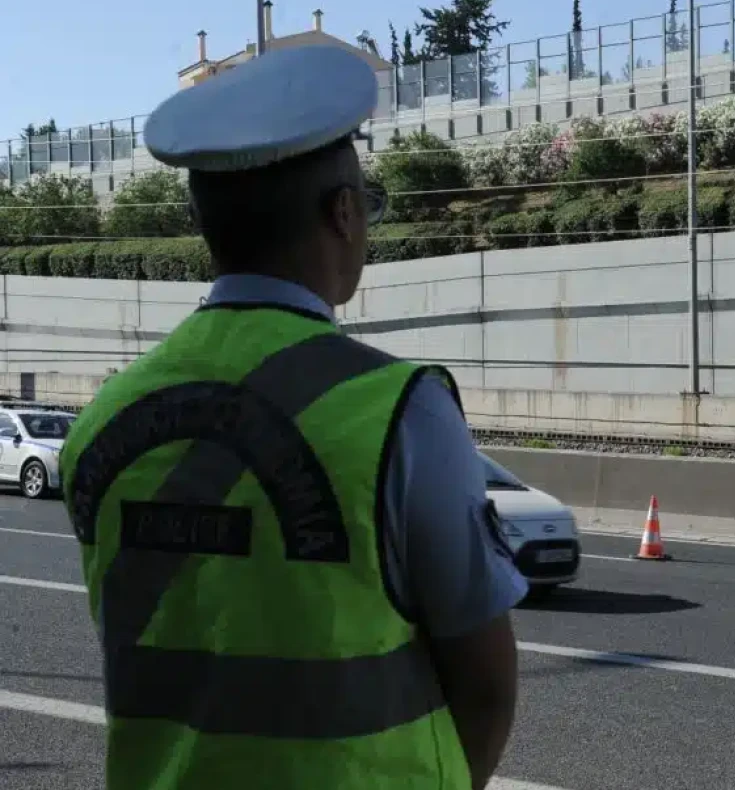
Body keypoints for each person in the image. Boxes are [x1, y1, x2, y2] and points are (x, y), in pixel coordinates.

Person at [57, 46, 526, 790]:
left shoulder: (101, 424)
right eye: (365, 205)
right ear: (343, 214)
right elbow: (487, 685)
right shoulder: (400, 411)